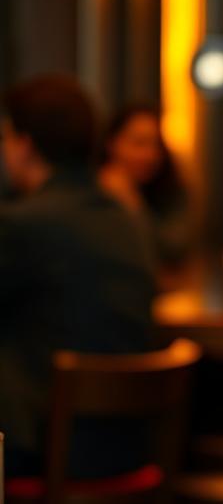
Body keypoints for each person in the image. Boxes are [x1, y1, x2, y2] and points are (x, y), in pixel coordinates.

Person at [0, 75, 155, 477]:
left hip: (50, 453)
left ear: (25, 145)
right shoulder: (124, 218)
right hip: (127, 445)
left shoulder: (24, 224)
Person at [100, 105, 193, 276]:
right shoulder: (92, 190)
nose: (149, 155)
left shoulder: (170, 190)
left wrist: (133, 205)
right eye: (139, 143)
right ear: (111, 144)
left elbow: (172, 251)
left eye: (156, 145)